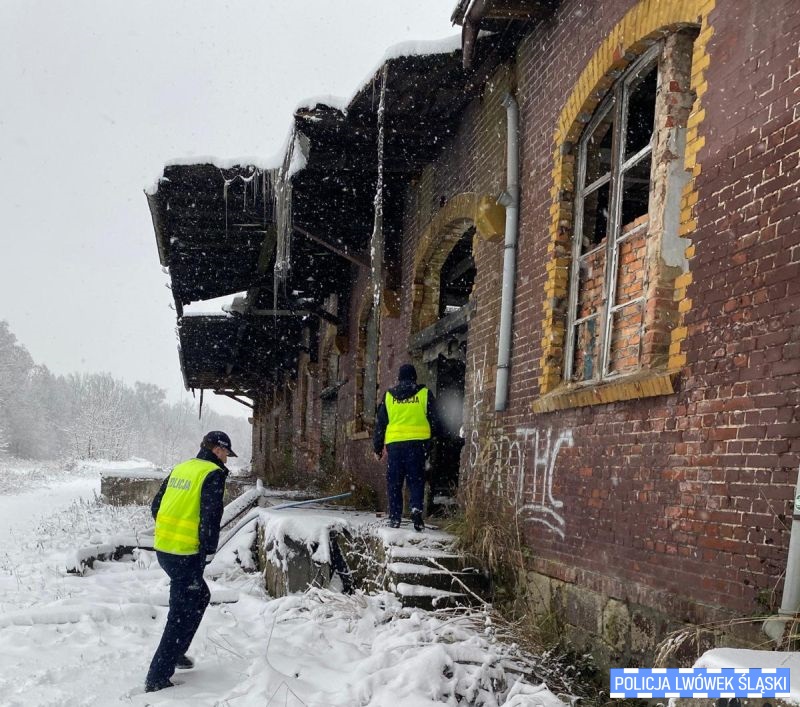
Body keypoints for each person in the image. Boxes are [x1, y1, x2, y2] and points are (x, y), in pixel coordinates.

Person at [144, 430, 236, 693]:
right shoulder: (212, 474)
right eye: (226, 453)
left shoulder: (182, 468)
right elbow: (210, 516)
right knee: (181, 613)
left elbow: (156, 507)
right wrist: (207, 550)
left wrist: (170, 534)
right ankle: (158, 676)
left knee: (198, 597)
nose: (227, 459)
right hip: (186, 553)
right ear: (218, 450)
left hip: (165, 549)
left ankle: (176, 653)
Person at [373, 363, 441, 531]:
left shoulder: (389, 396)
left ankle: (395, 517)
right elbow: (435, 419)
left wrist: (378, 447)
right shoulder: (424, 394)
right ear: (414, 378)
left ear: (399, 378)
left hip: (395, 446)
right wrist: (431, 438)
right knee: (416, 479)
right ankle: (416, 510)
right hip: (417, 445)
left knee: (394, 481)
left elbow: (381, 424)